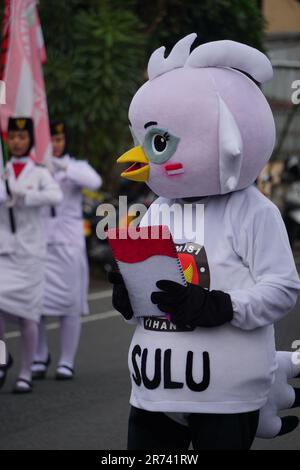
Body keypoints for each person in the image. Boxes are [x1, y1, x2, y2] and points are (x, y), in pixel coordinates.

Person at [109, 35, 300, 449]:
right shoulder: (158, 208)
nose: (138, 156)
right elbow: (155, 301)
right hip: (153, 393)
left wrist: (221, 306)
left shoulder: (254, 211)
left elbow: (283, 288)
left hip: (225, 398)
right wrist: (131, 298)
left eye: (158, 143)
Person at [31, 120, 102, 381]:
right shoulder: (36, 168)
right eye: (51, 140)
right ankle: (39, 355)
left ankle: (66, 360)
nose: (56, 145)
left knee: (69, 303)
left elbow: (94, 181)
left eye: (60, 140)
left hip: (68, 245)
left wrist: (63, 166)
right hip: (40, 244)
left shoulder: (75, 167)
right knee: (37, 304)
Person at [0, 116, 63, 394]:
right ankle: (3, 357)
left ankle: (26, 370)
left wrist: (23, 195)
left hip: (30, 254)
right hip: (4, 250)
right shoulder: (2, 171)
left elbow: (54, 196)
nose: (16, 141)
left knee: (28, 315)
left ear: (30, 141)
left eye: (22, 137)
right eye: (12, 136)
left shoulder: (39, 172)